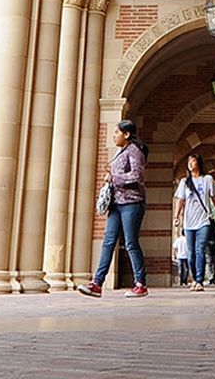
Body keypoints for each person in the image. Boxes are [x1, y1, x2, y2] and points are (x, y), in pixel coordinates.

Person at [77, 119, 149, 298]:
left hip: (132, 203)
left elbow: (136, 176)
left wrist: (113, 178)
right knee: (108, 241)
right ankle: (97, 283)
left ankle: (140, 284)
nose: (113, 136)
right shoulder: (120, 151)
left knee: (131, 243)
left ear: (127, 134)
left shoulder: (134, 151)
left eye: (116, 132)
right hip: (116, 204)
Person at [175, 152, 215, 291]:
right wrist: (177, 216)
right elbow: (180, 200)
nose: (190, 164)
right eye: (189, 161)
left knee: (200, 249)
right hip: (188, 222)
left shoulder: (208, 179)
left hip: (203, 221)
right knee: (190, 253)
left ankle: (200, 280)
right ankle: (195, 278)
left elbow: (214, 198)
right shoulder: (185, 182)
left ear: (199, 163)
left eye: (193, 161)